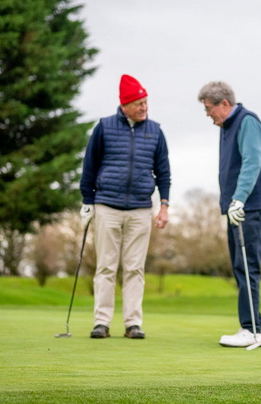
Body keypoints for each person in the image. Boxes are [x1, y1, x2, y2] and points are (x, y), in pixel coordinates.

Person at [79, 74, 171, 340]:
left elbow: (163, 172)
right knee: (106, 266)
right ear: (125, 104)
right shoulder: (104, 127)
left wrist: (163, 205)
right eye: (139, 103)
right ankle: (102, 322)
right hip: (107, 205)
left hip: (141, 208)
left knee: (134, 268)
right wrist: (87, 201)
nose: (144, 107)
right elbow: (90, 166)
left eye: (146, 102)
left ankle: (133, 323)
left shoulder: (155, 131)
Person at [198, 81, 261, 348]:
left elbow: (252, 162)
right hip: (238, 207)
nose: (208, 115)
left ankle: (253, 330)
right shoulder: (227, 126)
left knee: (247, 266)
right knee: (240, 267)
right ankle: (249, 326)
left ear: (225, 104)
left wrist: (239, 199)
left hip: (250, 207)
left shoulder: (247, 122)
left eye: (209, 109)